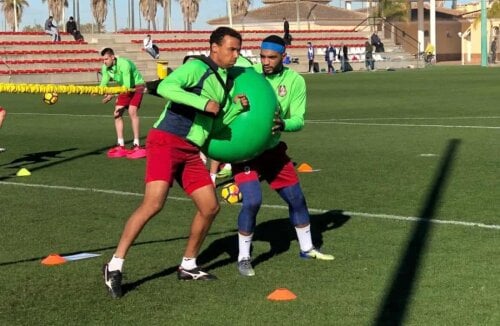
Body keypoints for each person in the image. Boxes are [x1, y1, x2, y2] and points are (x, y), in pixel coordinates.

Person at [102, 26, 246, 298]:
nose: (236, 55)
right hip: (166, 140)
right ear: (214, 48)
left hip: (191, 150)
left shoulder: (224, 82)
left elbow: (214, 126)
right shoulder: (197, 67)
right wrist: (202, 103)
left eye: (238, 49)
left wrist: (236, 108)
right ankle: (115, 265)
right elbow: (167, 86)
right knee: (153, 203)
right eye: (232, 49)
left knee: (210, 207)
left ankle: (188, 265)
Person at [232, 35, 334, 277]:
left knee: (296, 199)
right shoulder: (247, 75)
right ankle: (244, 257)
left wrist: (284, 123)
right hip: (247, 153)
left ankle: (307, 248)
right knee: (253, 201)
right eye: (262, 56)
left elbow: (299, 120)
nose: (265, 62)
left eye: (272, 57)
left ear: (283, 57)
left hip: (274, 152)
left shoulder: (295, 81)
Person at [99, 48, 146, 159]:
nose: (104, 62)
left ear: (112, 57)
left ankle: (136, 144)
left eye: (106, 59)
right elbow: (103, 84)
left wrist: (112, 94)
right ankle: (120, 144)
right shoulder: (105, 67)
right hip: (124, 88)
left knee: (132, 111)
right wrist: (100, 91)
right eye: (103, 59)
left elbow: (127, 87)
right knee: (117, 113)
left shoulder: (124, 64)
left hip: (136, 86)